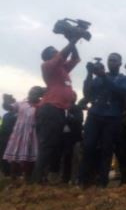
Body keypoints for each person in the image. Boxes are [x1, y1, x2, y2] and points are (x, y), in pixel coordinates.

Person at [79, 53, 126, 188]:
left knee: (106, 150)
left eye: (114, 61)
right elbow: (88, 93)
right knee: (88, 146)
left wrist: (103, 76)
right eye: (109, 60)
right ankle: (83, 180)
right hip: (95, 115)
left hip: (113, 117)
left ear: (120, 63)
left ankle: (102, 181)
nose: (111, 63)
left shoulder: (124, 79)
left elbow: (123, 92)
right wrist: (89, 74)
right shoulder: (99, 77)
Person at [32, 38, 81, 184]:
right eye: (54, 52)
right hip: (49, 109)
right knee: (47, 146)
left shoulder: (63, 69)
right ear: (48, 56)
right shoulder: (47, 66)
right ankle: (35, 181)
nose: (57, 52)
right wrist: (73, 40)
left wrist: (73, 42)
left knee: (55, 146)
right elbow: (63, 55)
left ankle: (45, 178)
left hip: (59, 111)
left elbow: (76, 58)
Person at [3, 86, 46, 181]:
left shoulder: (41, 106)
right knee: (15, 155)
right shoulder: (21, 103)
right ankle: (13, 178)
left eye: (34, 93)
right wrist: (5, 101)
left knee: (29, 158)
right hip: (19, 134)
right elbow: (9, 107)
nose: (31, 95)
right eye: (30, 92)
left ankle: (27, 178)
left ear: (39, 96)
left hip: (32, 134)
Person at [50, 91, 83, 184]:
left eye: (73, 96)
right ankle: (59, 177)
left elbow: (79, 120)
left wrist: (68, 119)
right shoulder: (59, 108)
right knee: (59, 157)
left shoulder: (77, 108)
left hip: (73, 138)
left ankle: (71, 178)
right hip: (60, 137)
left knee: (72, 158)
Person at [0, 94, 17, 176]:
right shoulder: (7, 115)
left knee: (6, 154)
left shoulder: (11, 115)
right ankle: (7, 172)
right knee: (5, 154)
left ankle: (8, 172)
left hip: (9, 137)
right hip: (5, 136)